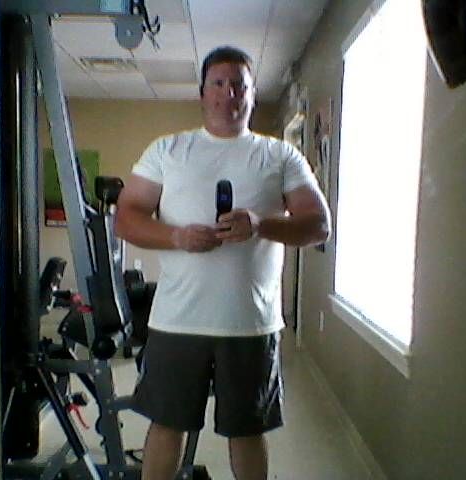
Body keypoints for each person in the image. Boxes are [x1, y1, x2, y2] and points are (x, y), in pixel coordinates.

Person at [115, 46, 331, 480]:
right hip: (177, 320)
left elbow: (318, 225)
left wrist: (262, 224)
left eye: (239, 85)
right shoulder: (167, 150)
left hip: (250, 323)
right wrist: (176, 236)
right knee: (167, 425)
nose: (228, 93)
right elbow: (126, 218)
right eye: (218, 83)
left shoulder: (280, 156)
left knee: (247, 431)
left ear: (252, 95)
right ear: (203, 92)